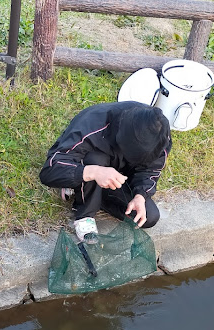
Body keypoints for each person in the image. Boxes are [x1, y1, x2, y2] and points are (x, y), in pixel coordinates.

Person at [39, 101, 172, 244]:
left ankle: (87, 190)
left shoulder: (159, 136)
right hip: (92, 162)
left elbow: (151, 170)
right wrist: (93, 172)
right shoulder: (92, 123)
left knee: (149, 217)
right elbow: (49, 170)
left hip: (120, 175)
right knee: (96, 158)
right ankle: (85, 213)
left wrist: (141, 195)